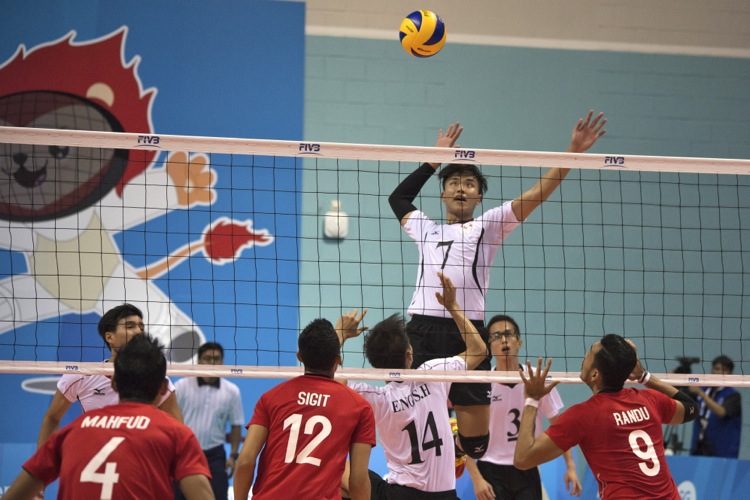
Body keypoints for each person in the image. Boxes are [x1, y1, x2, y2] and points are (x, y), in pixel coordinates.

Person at [388, 110, 607, 457]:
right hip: (422, 330)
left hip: (469, 334)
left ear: (479, 199)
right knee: (409, 423)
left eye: (470, 184)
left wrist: (574, 150)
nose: (461, 187)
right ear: (443, 193)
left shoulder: (488, 226)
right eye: (454, 182)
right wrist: (434, 158)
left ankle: (455, 443)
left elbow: (538, 192)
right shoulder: (425, 228)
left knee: (476, 445)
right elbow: (397, 199)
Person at [3, 335, 213, 500]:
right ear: (163, 387)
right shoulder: (176, 433)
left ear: (114, 383)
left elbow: (15, 494)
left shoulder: (74, 429)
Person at [342, 272, 487, 499]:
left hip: (400, 495)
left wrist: (340, 334)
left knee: (337, 469)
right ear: (410, 353)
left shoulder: (375, 398)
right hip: (445, 495)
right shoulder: (433, 373)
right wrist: (453, 307)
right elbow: (479, 350)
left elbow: (328, 377)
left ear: (375, 365)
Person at [513, 334, 698, 499]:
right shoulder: (650, 400)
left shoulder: (583, 416)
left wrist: (532, 399)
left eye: (588, 354)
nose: (584, 357)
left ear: (595, 374)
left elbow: (523, 459)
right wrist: (644, 377)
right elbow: (691, 408)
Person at [233, 315, 376, 500]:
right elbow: (357, 480)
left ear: (299, 357)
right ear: (339, 361)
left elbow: (245, 462)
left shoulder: (271, 398)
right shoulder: (359, 407)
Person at [465, 315, 582, 500]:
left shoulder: (536, 380)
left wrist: (571, 468)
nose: (503, 340)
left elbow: (559, 427)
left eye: (508, 334)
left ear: (519, 341)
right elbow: (465, 435)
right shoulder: (482, 382)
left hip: (527, 465)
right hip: (490, 467)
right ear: (489, 347)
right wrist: (477, 479)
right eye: (495, 336)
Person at [37, 303, 183, 450]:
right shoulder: (81, 376)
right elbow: (52, 418)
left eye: (141, 327)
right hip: (94, 459)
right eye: (130, 326)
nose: (139, 332)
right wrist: (41, 465)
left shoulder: (156, 378)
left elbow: (177, 429)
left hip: (138, 460)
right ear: (109, 337)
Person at [175, 342, 245, 500]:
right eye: (207, 358)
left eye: (217, 359)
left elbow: (236, 425)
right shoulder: (181, 386)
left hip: (214, 456)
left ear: (222, 362)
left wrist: (233, 456)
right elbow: (170, 421)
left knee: (219, 496)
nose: (212, 363)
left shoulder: (232, 391)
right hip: (184, 453)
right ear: (198, 361)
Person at [690, 355, 742, 458]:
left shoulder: (733, 396)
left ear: (730, 374)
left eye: (724, 370)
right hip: (699, 448)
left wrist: (701, 394)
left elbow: (721, 412)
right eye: (717, 369)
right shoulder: (704, 389)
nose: (719, 373)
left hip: (722, 453)